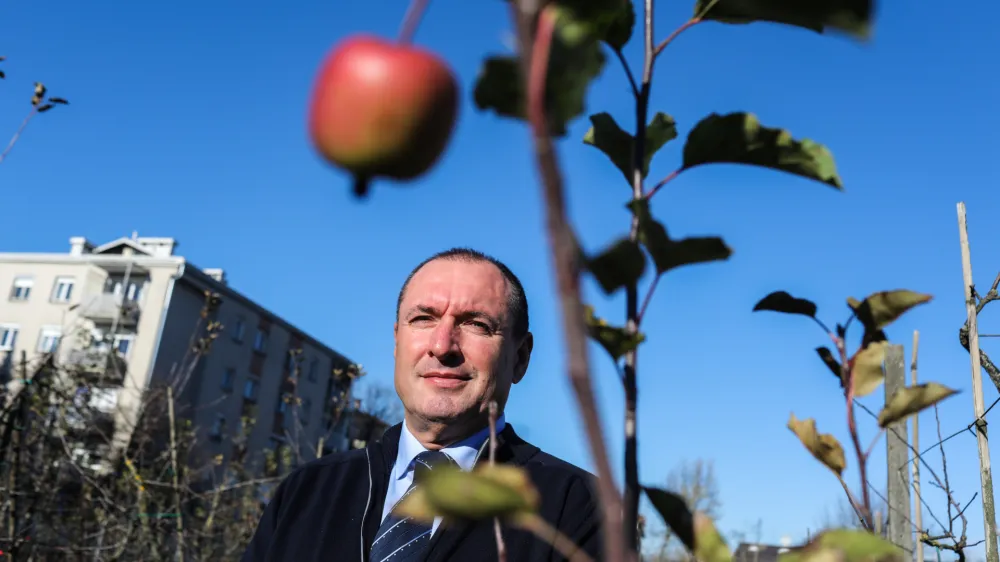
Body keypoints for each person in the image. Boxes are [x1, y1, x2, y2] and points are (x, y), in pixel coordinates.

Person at [240, 248, 603, 562]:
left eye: (476, 324)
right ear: (397, 342)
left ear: (520, 358)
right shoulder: (308, 491)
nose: (442, 345)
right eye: (423, 319)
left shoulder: (578, 507)